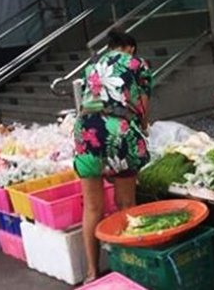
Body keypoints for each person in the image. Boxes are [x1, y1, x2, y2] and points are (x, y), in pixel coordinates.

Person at [74, 30, 153, 282]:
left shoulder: (92, 66)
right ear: (129, 48)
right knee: (126, 204)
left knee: (93, 207)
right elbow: (142, 107)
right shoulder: (137, 64)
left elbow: (89, 100)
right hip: (117, 130)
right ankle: (129, 269)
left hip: (85, 130)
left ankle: (91, 273)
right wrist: (144, 125)